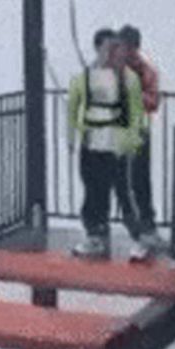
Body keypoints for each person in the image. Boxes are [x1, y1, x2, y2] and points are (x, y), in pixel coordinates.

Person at [68, 28, 149, 261]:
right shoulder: (85, 76)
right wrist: (73, 136)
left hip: (117, 146)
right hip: (92, 144)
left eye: (117, 48)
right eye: (109, 48)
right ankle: (95, 236)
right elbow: (73, 107)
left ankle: (138, 238)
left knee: (125, 193)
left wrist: (132, 140)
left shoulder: (128, 78)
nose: (114, 53)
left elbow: (135, 112)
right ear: (98, 49)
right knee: (94, 192)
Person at [115, 24, 161, 250]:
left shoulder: (146, 70)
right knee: (120, 181)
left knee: (140, 180)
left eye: (124, 47)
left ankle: (148, 225)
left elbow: (154, 101)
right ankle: (133, 228)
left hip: (139, 130)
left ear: (134, 48)